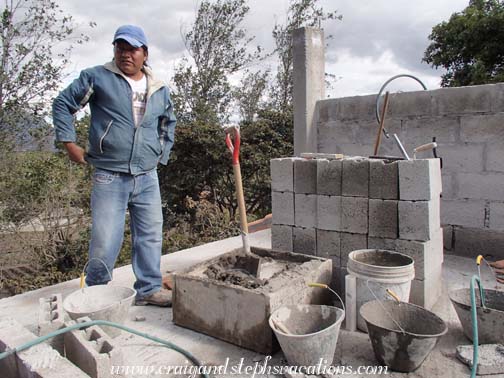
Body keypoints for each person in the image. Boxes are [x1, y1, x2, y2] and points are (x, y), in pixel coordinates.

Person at [53, 25, 176, 307]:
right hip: (109, 174)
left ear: (144, 53)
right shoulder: (97, 78)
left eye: (132, 49)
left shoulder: (158, 88)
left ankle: (148, 289)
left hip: (147, 176)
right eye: (120, 48)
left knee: (150, 235)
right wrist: (69, 142)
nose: (125, 54)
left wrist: (160, 153)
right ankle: (97, 294)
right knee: (105, 239)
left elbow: (168, 123)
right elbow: (63, 103)